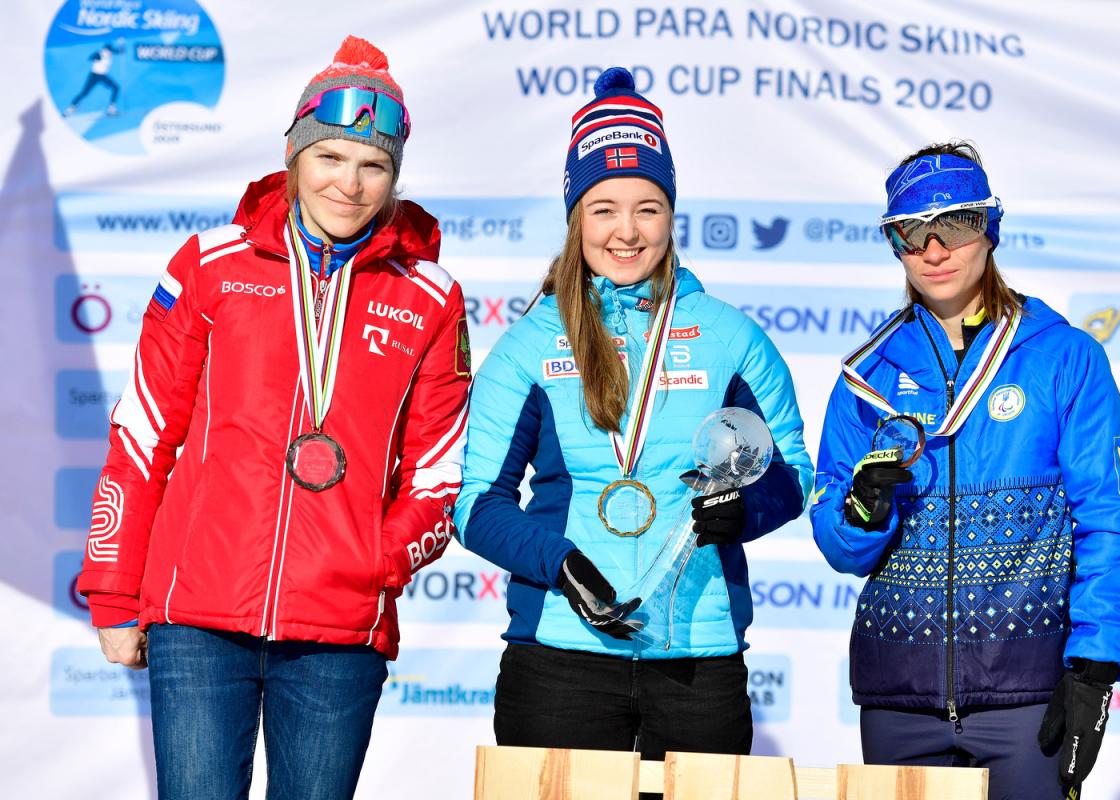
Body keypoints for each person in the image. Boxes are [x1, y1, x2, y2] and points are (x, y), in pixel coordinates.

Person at [77, 36, 470, 800]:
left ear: (394, 176)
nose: (349, 184)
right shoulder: (209, 266)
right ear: (293, 154)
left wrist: (373, 564)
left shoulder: (428, 297)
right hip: (197, 619)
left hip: (338, 632)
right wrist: (116, 593)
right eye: (331, 157)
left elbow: (438, 472)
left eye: (373, 165)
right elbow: (143, 436)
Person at [454, 67, 814, 762]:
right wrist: (559, 562)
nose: (627, 231)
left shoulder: (729, 337)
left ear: (672, 216)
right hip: (560, 659)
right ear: (575, 219)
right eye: (604, 208)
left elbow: (792, 474)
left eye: (647, 207)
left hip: (698, 662)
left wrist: (748, 509)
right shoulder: (530, 345)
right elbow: (476, 505)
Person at [811, 141, 1120, 799]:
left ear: (990, 230)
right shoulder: (866, 376)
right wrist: (861, 513)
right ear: (895, 245)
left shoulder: (1062, 357)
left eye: (955, 225)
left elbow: (1110, 516)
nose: (934, 249)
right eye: (912, 232)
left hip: (1024, 694)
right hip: (898, 696)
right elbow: (836, 541)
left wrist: (1094, 669)